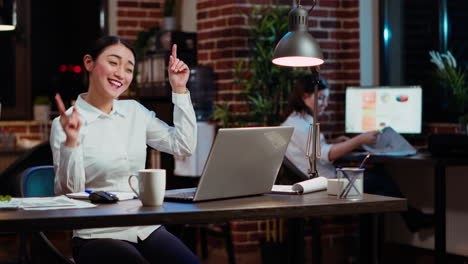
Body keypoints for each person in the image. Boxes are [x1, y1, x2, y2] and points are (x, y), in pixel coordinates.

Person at [50, 36, 199, 264]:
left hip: (144, 228)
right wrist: (71, 142)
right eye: (113, 62)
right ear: (89, 63)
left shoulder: (134, 112)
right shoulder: (67, 122)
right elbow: (69, 193)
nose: (121, 73)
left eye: (129, 68)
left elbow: (183, 145)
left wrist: (179, 89)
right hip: (96, 233)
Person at [281, 74, 433, 233]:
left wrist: (334, 142)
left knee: (377, 179)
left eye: (326, 99)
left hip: (323, 181)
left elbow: (314, 151)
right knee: (379, 179)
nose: (325, 104)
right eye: (320, 98)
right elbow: (327, 155)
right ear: (304, 96)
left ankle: (409, 220)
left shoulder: (298, 121)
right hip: (326, 187)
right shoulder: (300, 125)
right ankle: (411, 220)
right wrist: (360, 139)